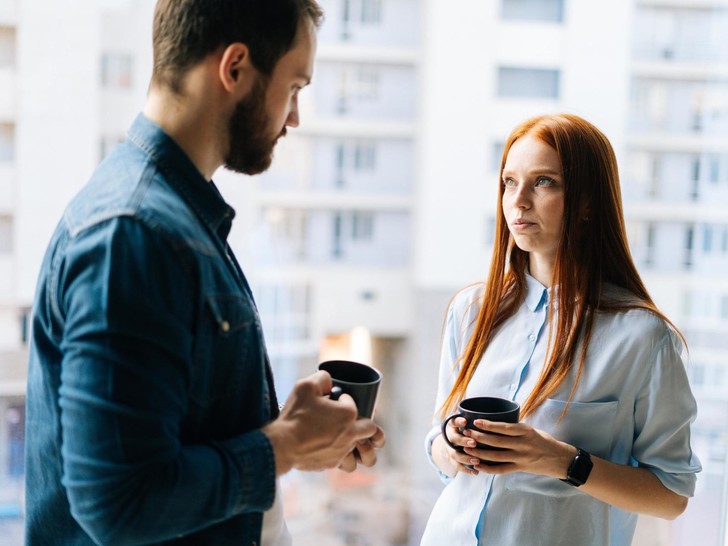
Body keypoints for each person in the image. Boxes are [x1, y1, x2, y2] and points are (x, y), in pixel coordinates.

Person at [24, 1, 385, 545]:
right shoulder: (134, 234)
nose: (294, 118)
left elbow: (172, 436)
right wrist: (282, 446)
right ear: (235, 68)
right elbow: (120, 502)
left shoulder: (178, 219)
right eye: (294, 87)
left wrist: (291, 434)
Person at [421, 113, 701, 546]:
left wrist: (562, 461)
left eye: (544, 182)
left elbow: (672, 496)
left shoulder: (643, 338)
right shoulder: (470, 311)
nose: (518, 202)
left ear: (588, 201)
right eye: (509, 182)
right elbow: (438, 449)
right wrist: (451, 446)